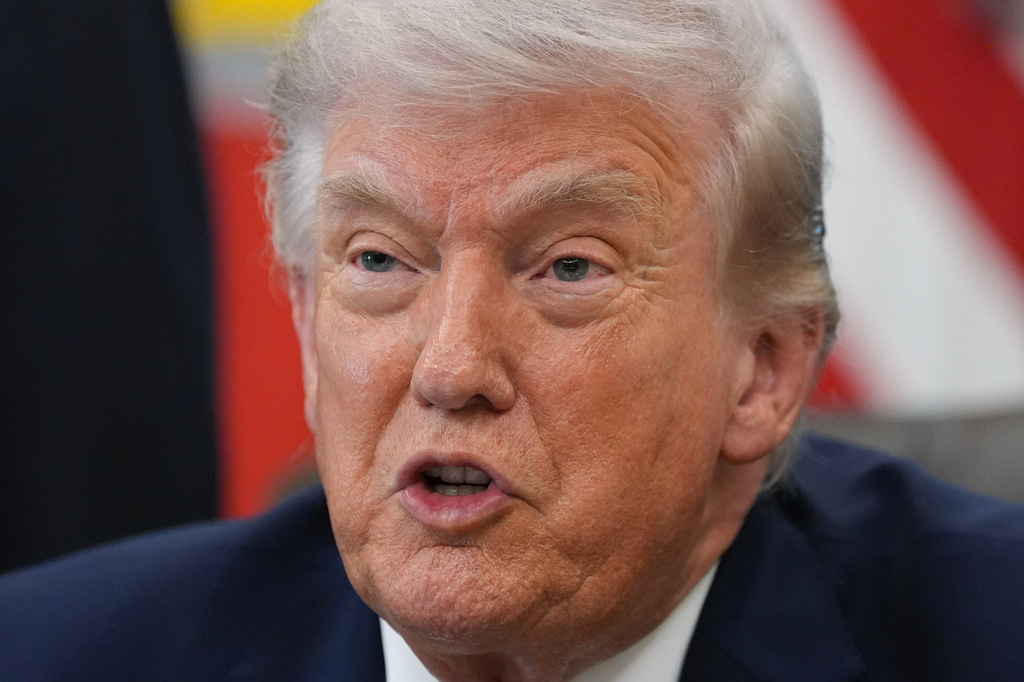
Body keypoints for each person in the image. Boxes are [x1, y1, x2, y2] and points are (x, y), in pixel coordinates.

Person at [2, 0, 1024, 680]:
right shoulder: (55, 653)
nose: (449, 369)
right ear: (310, 334)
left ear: (763, 367)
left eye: (568, 269)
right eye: (379, 261)